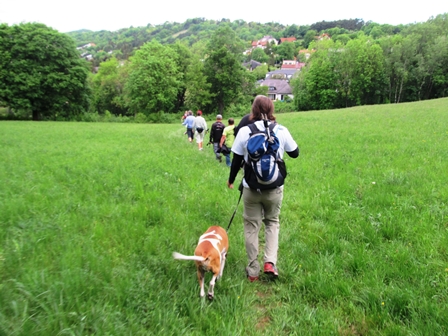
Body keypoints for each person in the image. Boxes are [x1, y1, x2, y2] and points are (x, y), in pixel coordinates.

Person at [226, 95, 299, 282]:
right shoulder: (281, 130)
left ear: (254, 110)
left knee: (251, 226)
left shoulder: (244, 131)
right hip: (274, 188)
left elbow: (236, 160)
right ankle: (270, 262)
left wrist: (231, 180)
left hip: (251, 188)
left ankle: (252, 271)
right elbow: (295, 153)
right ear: (271, 109)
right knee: (272, 222)